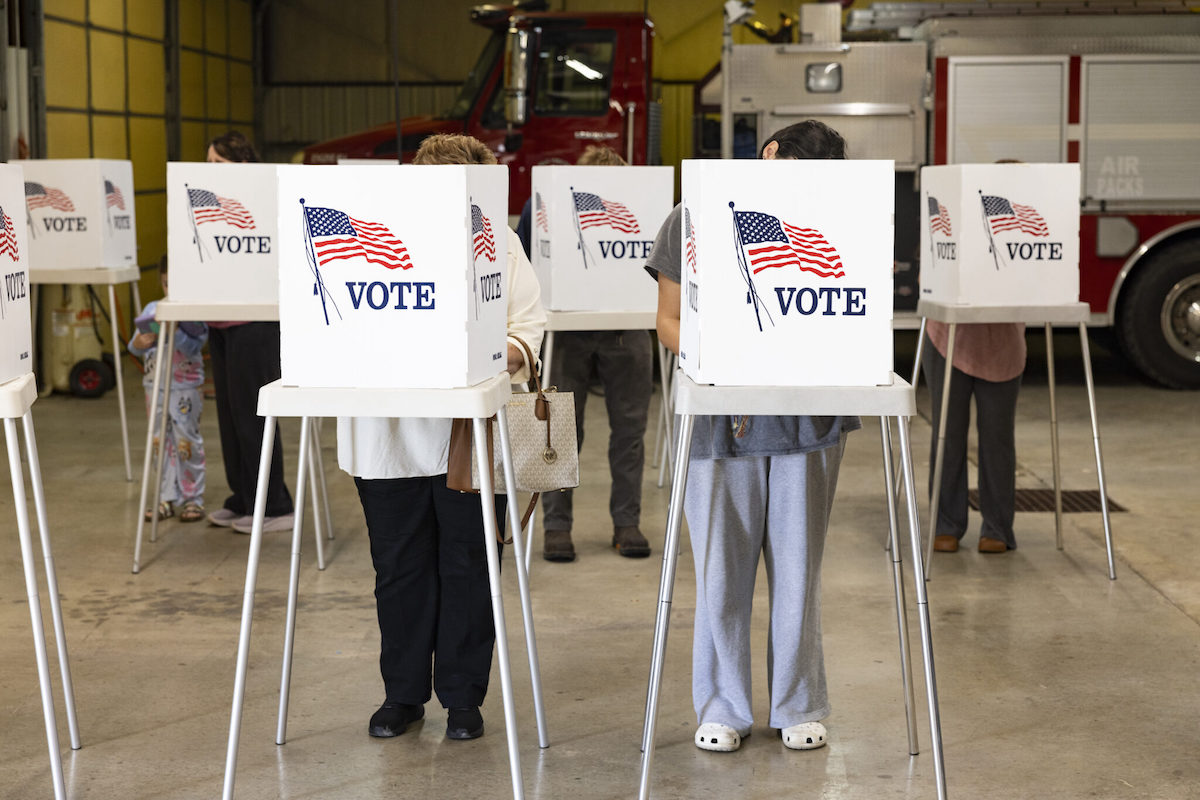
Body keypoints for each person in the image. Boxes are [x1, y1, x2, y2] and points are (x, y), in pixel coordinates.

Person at [645, 120, 859, 753]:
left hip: (807, 416)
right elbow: (666, 320)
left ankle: (798, 704)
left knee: (798, 572)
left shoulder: (838, 218)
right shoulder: (694, 216)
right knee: (720, 571)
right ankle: (722, 705)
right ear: (767, 154)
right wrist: (730, 352)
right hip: (719, 414)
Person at [337, 133, 546, 742]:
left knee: (470, 564)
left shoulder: (498, 242)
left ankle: (462, 698)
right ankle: (401, 695)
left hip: (468, 433)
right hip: (388, 431)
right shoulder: (366, 239)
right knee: (398, 568)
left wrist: (502, 351)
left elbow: (527, 321)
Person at [516, 144, 653, 563]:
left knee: (629, 432)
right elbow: (523, 263)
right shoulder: (543, 205)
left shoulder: (646, 206)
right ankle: (557, 527)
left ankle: (626, 523)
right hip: (566, 329)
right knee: (558, 431)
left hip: (627, 326)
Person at [202, 130, 296, 533]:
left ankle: (274, 505)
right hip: (221, 320)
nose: (210, 172)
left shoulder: (265, 200)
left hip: (256, 321)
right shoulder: (211, 206)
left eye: (218, 165)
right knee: (228, 416)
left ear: (242, 166)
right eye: (207, 165)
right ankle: (242, 498)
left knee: (254, 416)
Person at [923, 312, 1025, 555]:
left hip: (1003, 338)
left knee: (997, 437)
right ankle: (945, 524)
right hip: (948, 336)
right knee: (947, 434)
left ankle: (997, 527)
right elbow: (927, 280)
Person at [129, 257, 208, 523]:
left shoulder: (194, 312)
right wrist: (141, 341)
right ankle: (165, 496)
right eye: (166, 284)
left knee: (186, 442)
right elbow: (134, 346)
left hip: (185, 387)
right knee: (159, 441)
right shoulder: (155, 307)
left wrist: (175, 328)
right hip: (155, 386)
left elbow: (194, 348)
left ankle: (192, 498)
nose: (170, 290)